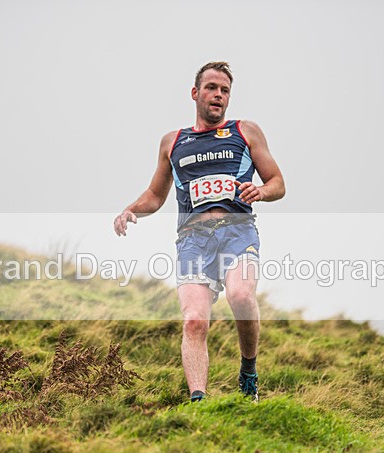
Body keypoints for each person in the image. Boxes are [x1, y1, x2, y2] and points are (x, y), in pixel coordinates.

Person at [113, 61, 285, 403]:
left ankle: (248, 369)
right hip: (193, 240)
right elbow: (155, 196)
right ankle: (199, 402)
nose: (218, 95)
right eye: (211, 88)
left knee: (241, 296)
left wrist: (261, 192)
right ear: (195, 93)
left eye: (224, 91)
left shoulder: (246, 131)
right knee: (194, 321)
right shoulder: (172, 142)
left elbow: (278, 183)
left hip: (239, 232)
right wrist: (131, 209)